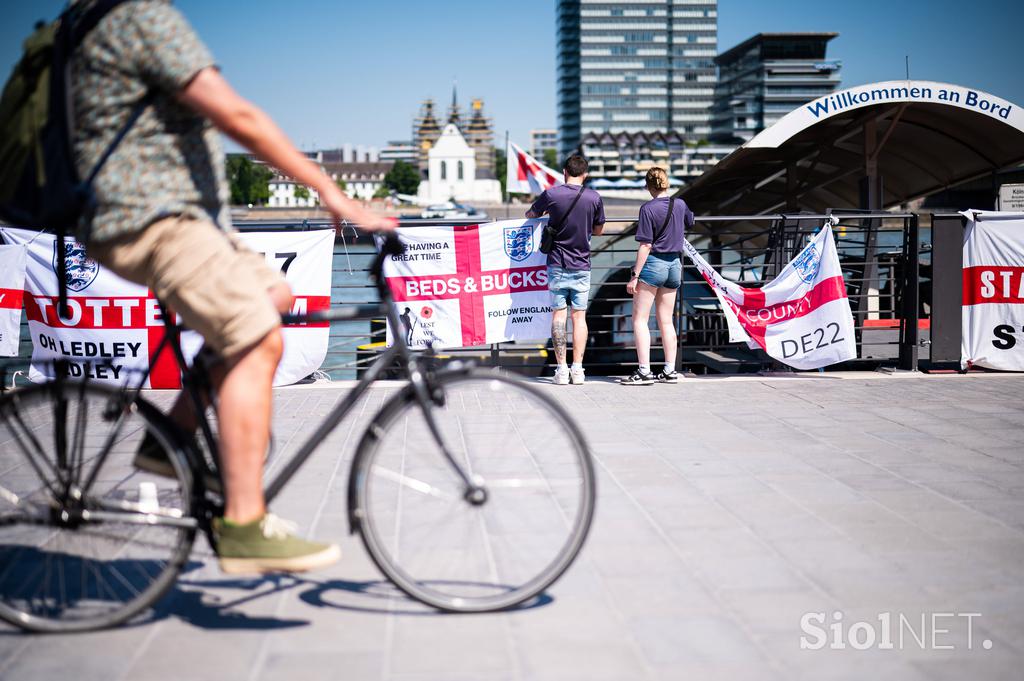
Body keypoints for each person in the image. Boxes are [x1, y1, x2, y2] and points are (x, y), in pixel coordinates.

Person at [69, 0, 393, 574]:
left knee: (277, 296)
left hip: (187, 220)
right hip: (152, 219)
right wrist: (332, 192)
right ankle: (244, 525)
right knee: (261, 339)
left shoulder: (107, 15)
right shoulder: (138, 15)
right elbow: (236, 116)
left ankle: (169, 436)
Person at [525, 156, 605, 385]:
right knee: (579, 317)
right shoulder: (594, 197)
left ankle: (561, 370)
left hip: (557, 264)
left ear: (564, 172)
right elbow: (599, 230)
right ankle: (578, 370)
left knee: (558, 316)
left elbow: (531, 214)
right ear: (585, 174)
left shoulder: (552, 195)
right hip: (582, 264)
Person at [620, 167, 694, 386]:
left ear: (648, 186)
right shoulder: (680, 204)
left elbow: (645, 244)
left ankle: (644, 372)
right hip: (674, 264)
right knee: (666, 320)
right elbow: (690, 222)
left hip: (654, 264)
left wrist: (635, 275)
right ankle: (670, 370)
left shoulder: (647, 209)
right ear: (667, 184)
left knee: (640, 320)